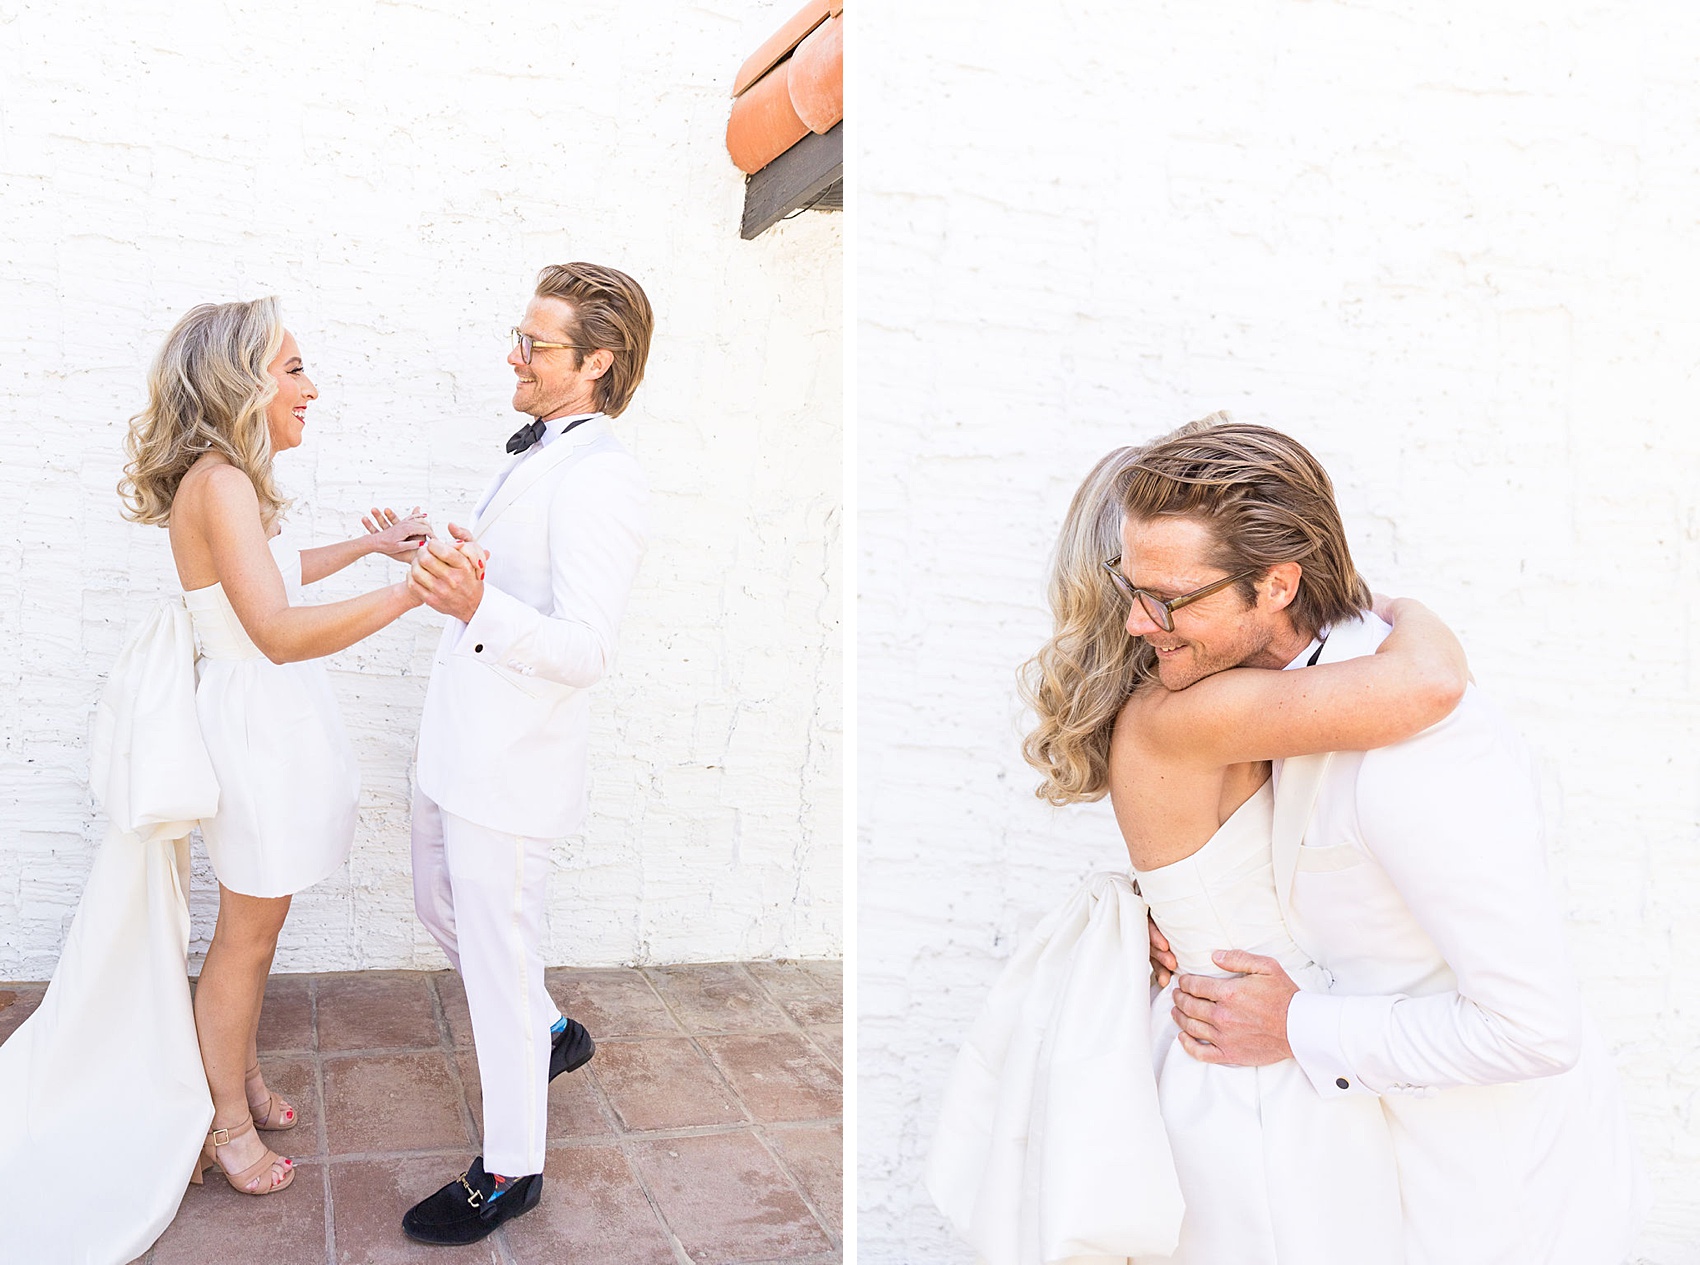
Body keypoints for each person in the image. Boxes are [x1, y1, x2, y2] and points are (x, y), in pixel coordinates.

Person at [927, 432, 1474, 1264]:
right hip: (1258, 1072)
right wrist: (1406, 608)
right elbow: (1429, 684)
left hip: (1236, 1044)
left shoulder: (1163, 713)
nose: (1153, 613)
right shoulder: (1199, 712)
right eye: (1142, 585)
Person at [1139, 421, 1646, 1264]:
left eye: (1169, 598)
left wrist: (1298, 1023)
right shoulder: (1292, 691)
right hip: (1371, 1175)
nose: (1135, 620)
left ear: (1275, 585)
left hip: (1494, 1199)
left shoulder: (1422, 750)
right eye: (1132, 584)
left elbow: (1534, 1029)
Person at [0, 296, 431, 1262]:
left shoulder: (226, 480)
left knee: (257, 928)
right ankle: (222, 1116)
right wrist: (413, 591)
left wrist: (370, 546)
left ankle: (226, 1070)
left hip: (262, 723)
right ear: (243, 380)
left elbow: (265, 580)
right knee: (246, 937)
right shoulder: (221, 480)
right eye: (293, 369)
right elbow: (274, 632)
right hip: (255, 730)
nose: (309, 386)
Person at [396, 263, 652, 1246]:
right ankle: (549, 1031)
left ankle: (511, 1165)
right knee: (436, 903)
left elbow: (585, 647)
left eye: (534, 343)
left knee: (495, 959)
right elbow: (518, 573)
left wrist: (473, 604)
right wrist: (443, 546)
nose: (513, 353)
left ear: (595, 363)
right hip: (457, 742)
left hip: (510, 766)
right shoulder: (545, 449)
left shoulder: (604, 477)